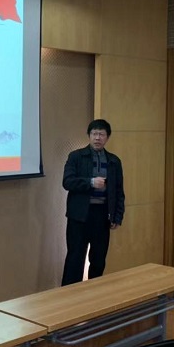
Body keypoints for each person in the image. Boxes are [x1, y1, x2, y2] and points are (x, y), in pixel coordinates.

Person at [61, 119, 125, 285]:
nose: (97, 138)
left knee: (98, 260)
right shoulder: (76, 156)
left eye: (101, 134)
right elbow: (67, 182)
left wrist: (117, 216)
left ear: (107, 137)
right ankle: (69, 296)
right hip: (79, 216)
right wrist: (90, 182)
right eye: (94, 134)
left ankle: (95, 295)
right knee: (75, 259)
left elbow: (119, 191)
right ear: (89, 136)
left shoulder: (114, 161)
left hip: (102, 215)